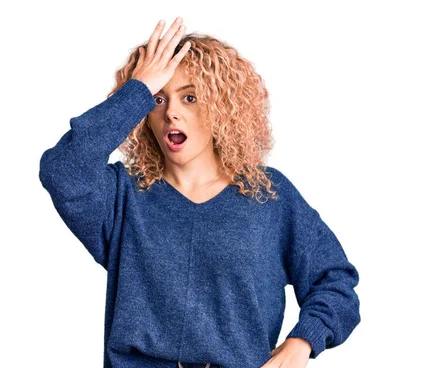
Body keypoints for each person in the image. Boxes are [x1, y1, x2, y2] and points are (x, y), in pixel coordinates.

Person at [39, 17, 360, 368]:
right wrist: (138, 90)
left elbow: (334, 281)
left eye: (189, 97)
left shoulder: (269, 196)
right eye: (158, 100)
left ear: (220, 108)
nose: (172, 112)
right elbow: (62, 169)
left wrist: (303, 341)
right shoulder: (121, 196)